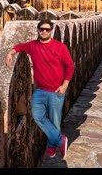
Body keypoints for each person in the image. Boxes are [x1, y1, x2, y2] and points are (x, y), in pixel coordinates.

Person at [5, 19, 74, 159]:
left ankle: (51, 146)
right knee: (38, 117)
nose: (44, 31)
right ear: (38, 30)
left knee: (55, 121)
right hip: (40, 90)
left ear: (51, 31)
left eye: (47, 29)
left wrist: (64, 85)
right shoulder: (33, 46)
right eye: (42, 29)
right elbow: (20, 47)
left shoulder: (60, 47)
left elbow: (70, 66)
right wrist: (10, 53)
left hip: (56, 91)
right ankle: (61, 140)